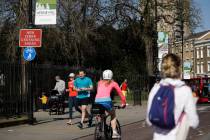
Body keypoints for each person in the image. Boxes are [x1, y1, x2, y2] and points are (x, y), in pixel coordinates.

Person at [146, 53, 199, 140]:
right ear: (179, 68)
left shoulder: (156, 89)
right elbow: (194, 122)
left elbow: (149, 120)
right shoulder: (184, 90)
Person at [95, 70, 126, 138]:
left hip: (97, 101)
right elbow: (120, 94)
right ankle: (114, 132)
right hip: (107, 101)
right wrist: (123, 103)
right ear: (111, 75)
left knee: (102, 114)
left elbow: (99, 92)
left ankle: (100, 129)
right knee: (113, 114)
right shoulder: (113, 83)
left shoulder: (99, 83)